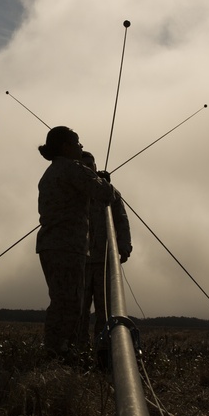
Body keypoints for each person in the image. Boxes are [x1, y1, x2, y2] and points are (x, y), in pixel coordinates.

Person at [36, 127, 118, 362]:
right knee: (71, 304)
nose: (81, 148)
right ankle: (62, 354)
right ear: (65, 147)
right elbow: (104, 193)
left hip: (50, 245)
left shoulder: (49, 172)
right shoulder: (72, 169)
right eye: (78, 143)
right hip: (68, 246)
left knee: (60, 301)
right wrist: (103, 181)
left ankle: (55, 351)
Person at [78, 151, 132, 353]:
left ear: (94, 166)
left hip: (104, 260)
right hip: (80, 260)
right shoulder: (75, 189)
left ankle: (102, 351)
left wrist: (124, 246)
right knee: (79, 310)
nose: (86, 168)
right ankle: (78, 351)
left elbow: (121, 220)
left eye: (89, 165)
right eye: (82, 165)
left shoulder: (110, 193)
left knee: (105, 310)